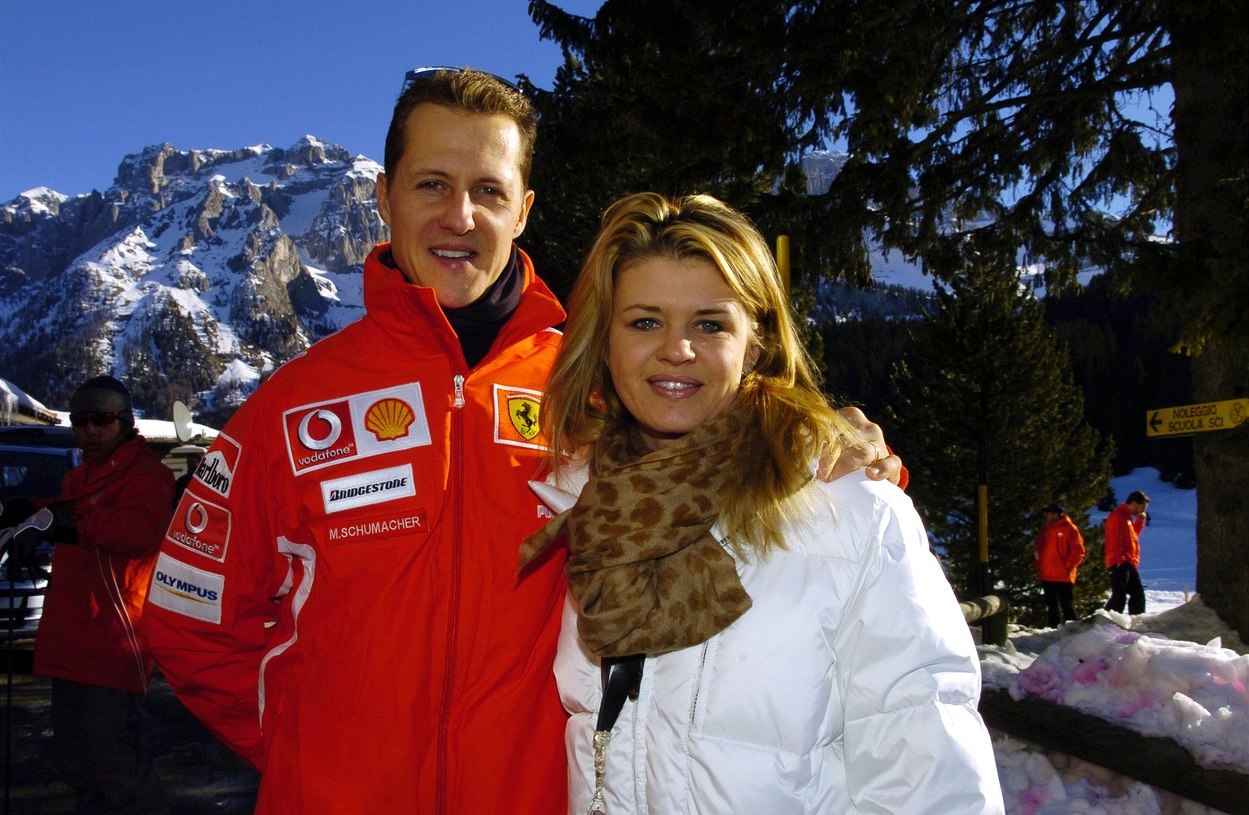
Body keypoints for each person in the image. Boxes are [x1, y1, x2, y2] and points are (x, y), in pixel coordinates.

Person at [140, 69, 902, 815]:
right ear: (384, 196)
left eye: (488, 190)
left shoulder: (596, 388)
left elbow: (727, 444)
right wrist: (309, 754)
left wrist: (832, 446)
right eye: (432, 184)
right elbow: (189, 621)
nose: (459, 216)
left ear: (523, 209)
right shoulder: (292, 404)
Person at [520, 192, 1003, 814]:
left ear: (755, 342)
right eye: (644, 322)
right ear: (605, 341)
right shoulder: (584, 507)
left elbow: (929, 770)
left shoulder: (849, 510)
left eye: (710, 324)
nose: (677, 349)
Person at [3, 375, 174, 814]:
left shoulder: (148, 476)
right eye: (81, 421)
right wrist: (28, 509)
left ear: (125, 422)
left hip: (113, 645)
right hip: (71, 642)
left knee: (118, 770)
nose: (91, 430)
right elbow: (74, 508)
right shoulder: (82, 475)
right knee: (78, 767)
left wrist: (66, 524)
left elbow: (138, 531)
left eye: (103, 420)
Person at [1033, 502, 1085, 626]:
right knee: (1052, 607)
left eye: (1048, 513)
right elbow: (1039, 549)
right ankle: (1054, 631)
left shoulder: (1070, 528)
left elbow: (1078, 552)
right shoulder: (1045, 529)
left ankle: (1073, 631)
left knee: (1066, 606)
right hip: (1047, 574)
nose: (1046, 516)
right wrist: (1039, 566)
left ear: (1055, 515)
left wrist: (1067, 566)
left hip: (1063, 575)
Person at [1104, 489, 1150, 614]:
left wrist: (1139, 523)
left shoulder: (1127, 517)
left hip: (1127, 561)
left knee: (1135, 594)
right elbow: (1114, 538)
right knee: (1121, 596)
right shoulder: (1118, 516)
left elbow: (1131, 538)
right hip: (1120, 561)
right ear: (1133, 503)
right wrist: (1118, 559)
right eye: (1141, 507)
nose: (1142, 511)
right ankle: (1106, 620)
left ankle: (1136, 619)